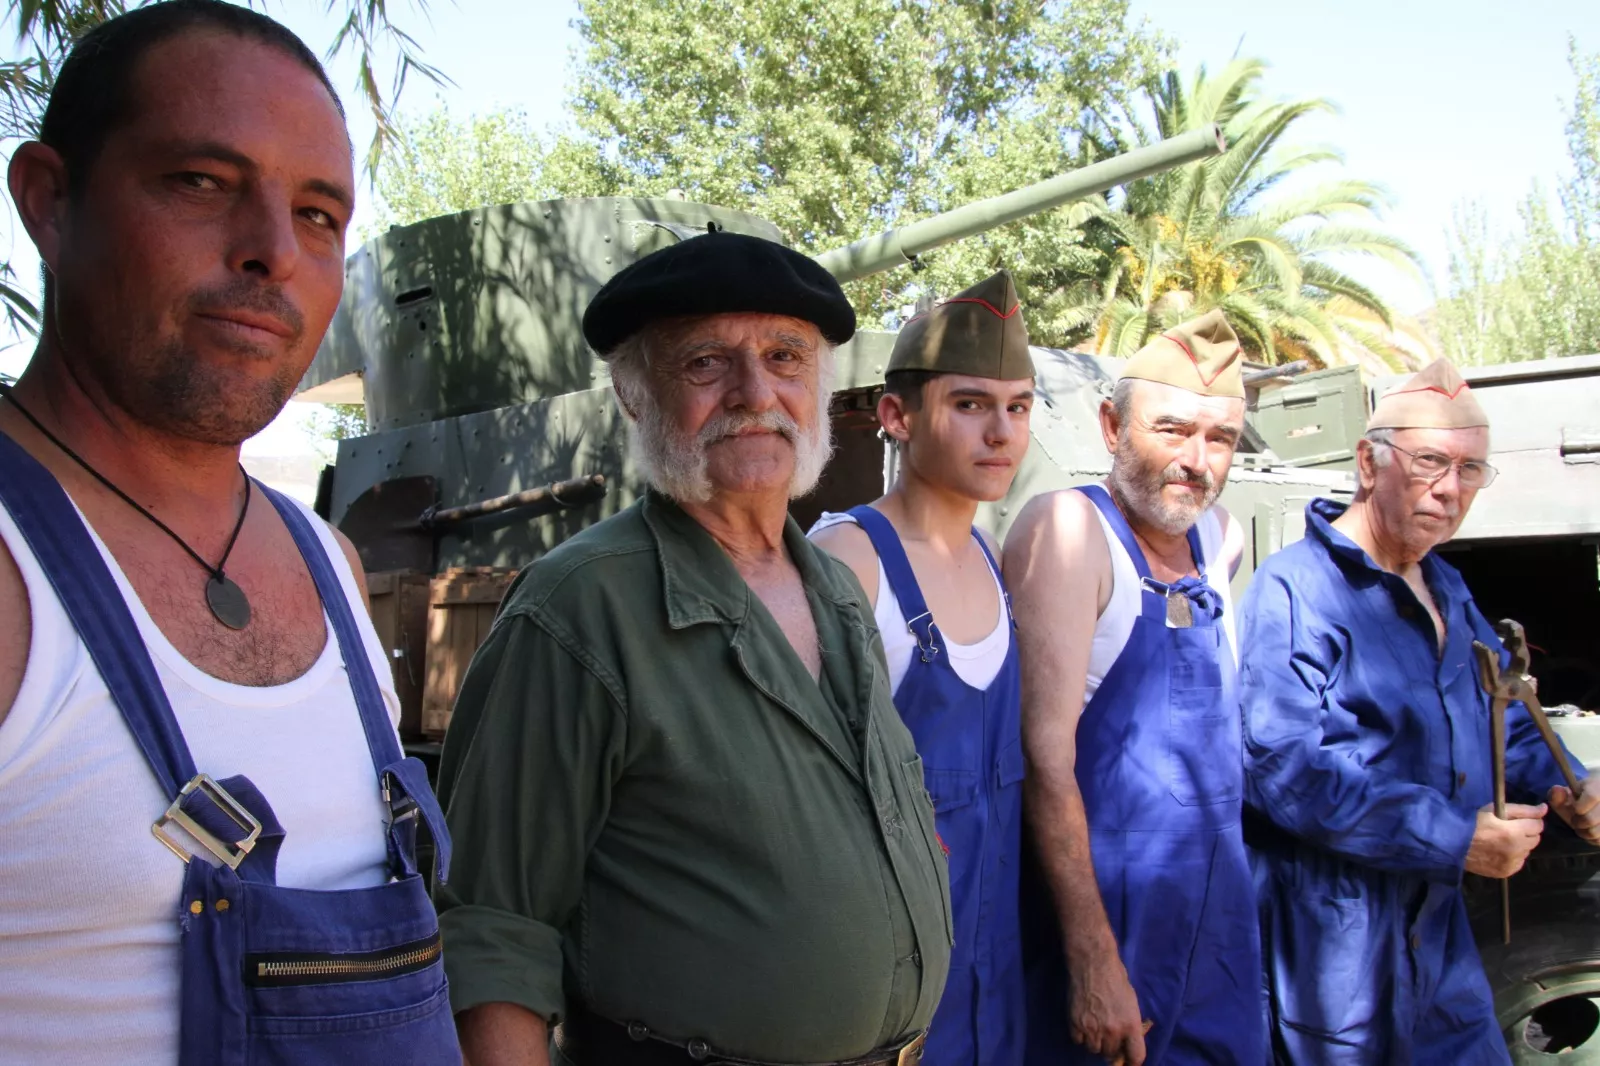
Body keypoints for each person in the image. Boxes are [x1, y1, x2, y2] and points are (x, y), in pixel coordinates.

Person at [0, 4, 458, 1065]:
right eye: (202, 183)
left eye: (316, 214)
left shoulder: (332, 565)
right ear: (50, 203)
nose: (270, 253)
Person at [434, 231, 952, 1066]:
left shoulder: (838, 593)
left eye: (786, 357)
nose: (757, 393)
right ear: (635, 397)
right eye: (707, 363)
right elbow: (494, 929)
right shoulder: (580, 608)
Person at [1238, 358, 1600, 1065]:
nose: (1450, 488)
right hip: (1337, 945)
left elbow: (1503, 713)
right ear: (1369, 464)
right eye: (1431, 461)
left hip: (1440, 935)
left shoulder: (1447, 586)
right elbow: (1282, 769)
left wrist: (1571, 782)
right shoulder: (1295, 591)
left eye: (1470, 469)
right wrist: (1452, 837)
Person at [1004, 310, 1264, 1066]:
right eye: (1173, 430)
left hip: (1216, 923)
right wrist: (1093, 959)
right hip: (1108, 921)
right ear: (1112, 425)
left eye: (1220, 439)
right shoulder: (1069, 532)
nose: (1197, 459)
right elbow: (1043, 762)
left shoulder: (1222, 542)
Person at [810, 270, 1035, 1065]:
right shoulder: (848, 561)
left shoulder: (990, 555)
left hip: (995, 977)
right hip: (889, 996)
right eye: (970, 404)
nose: (1002, 433)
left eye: (1018, 407)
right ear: (896, 416)